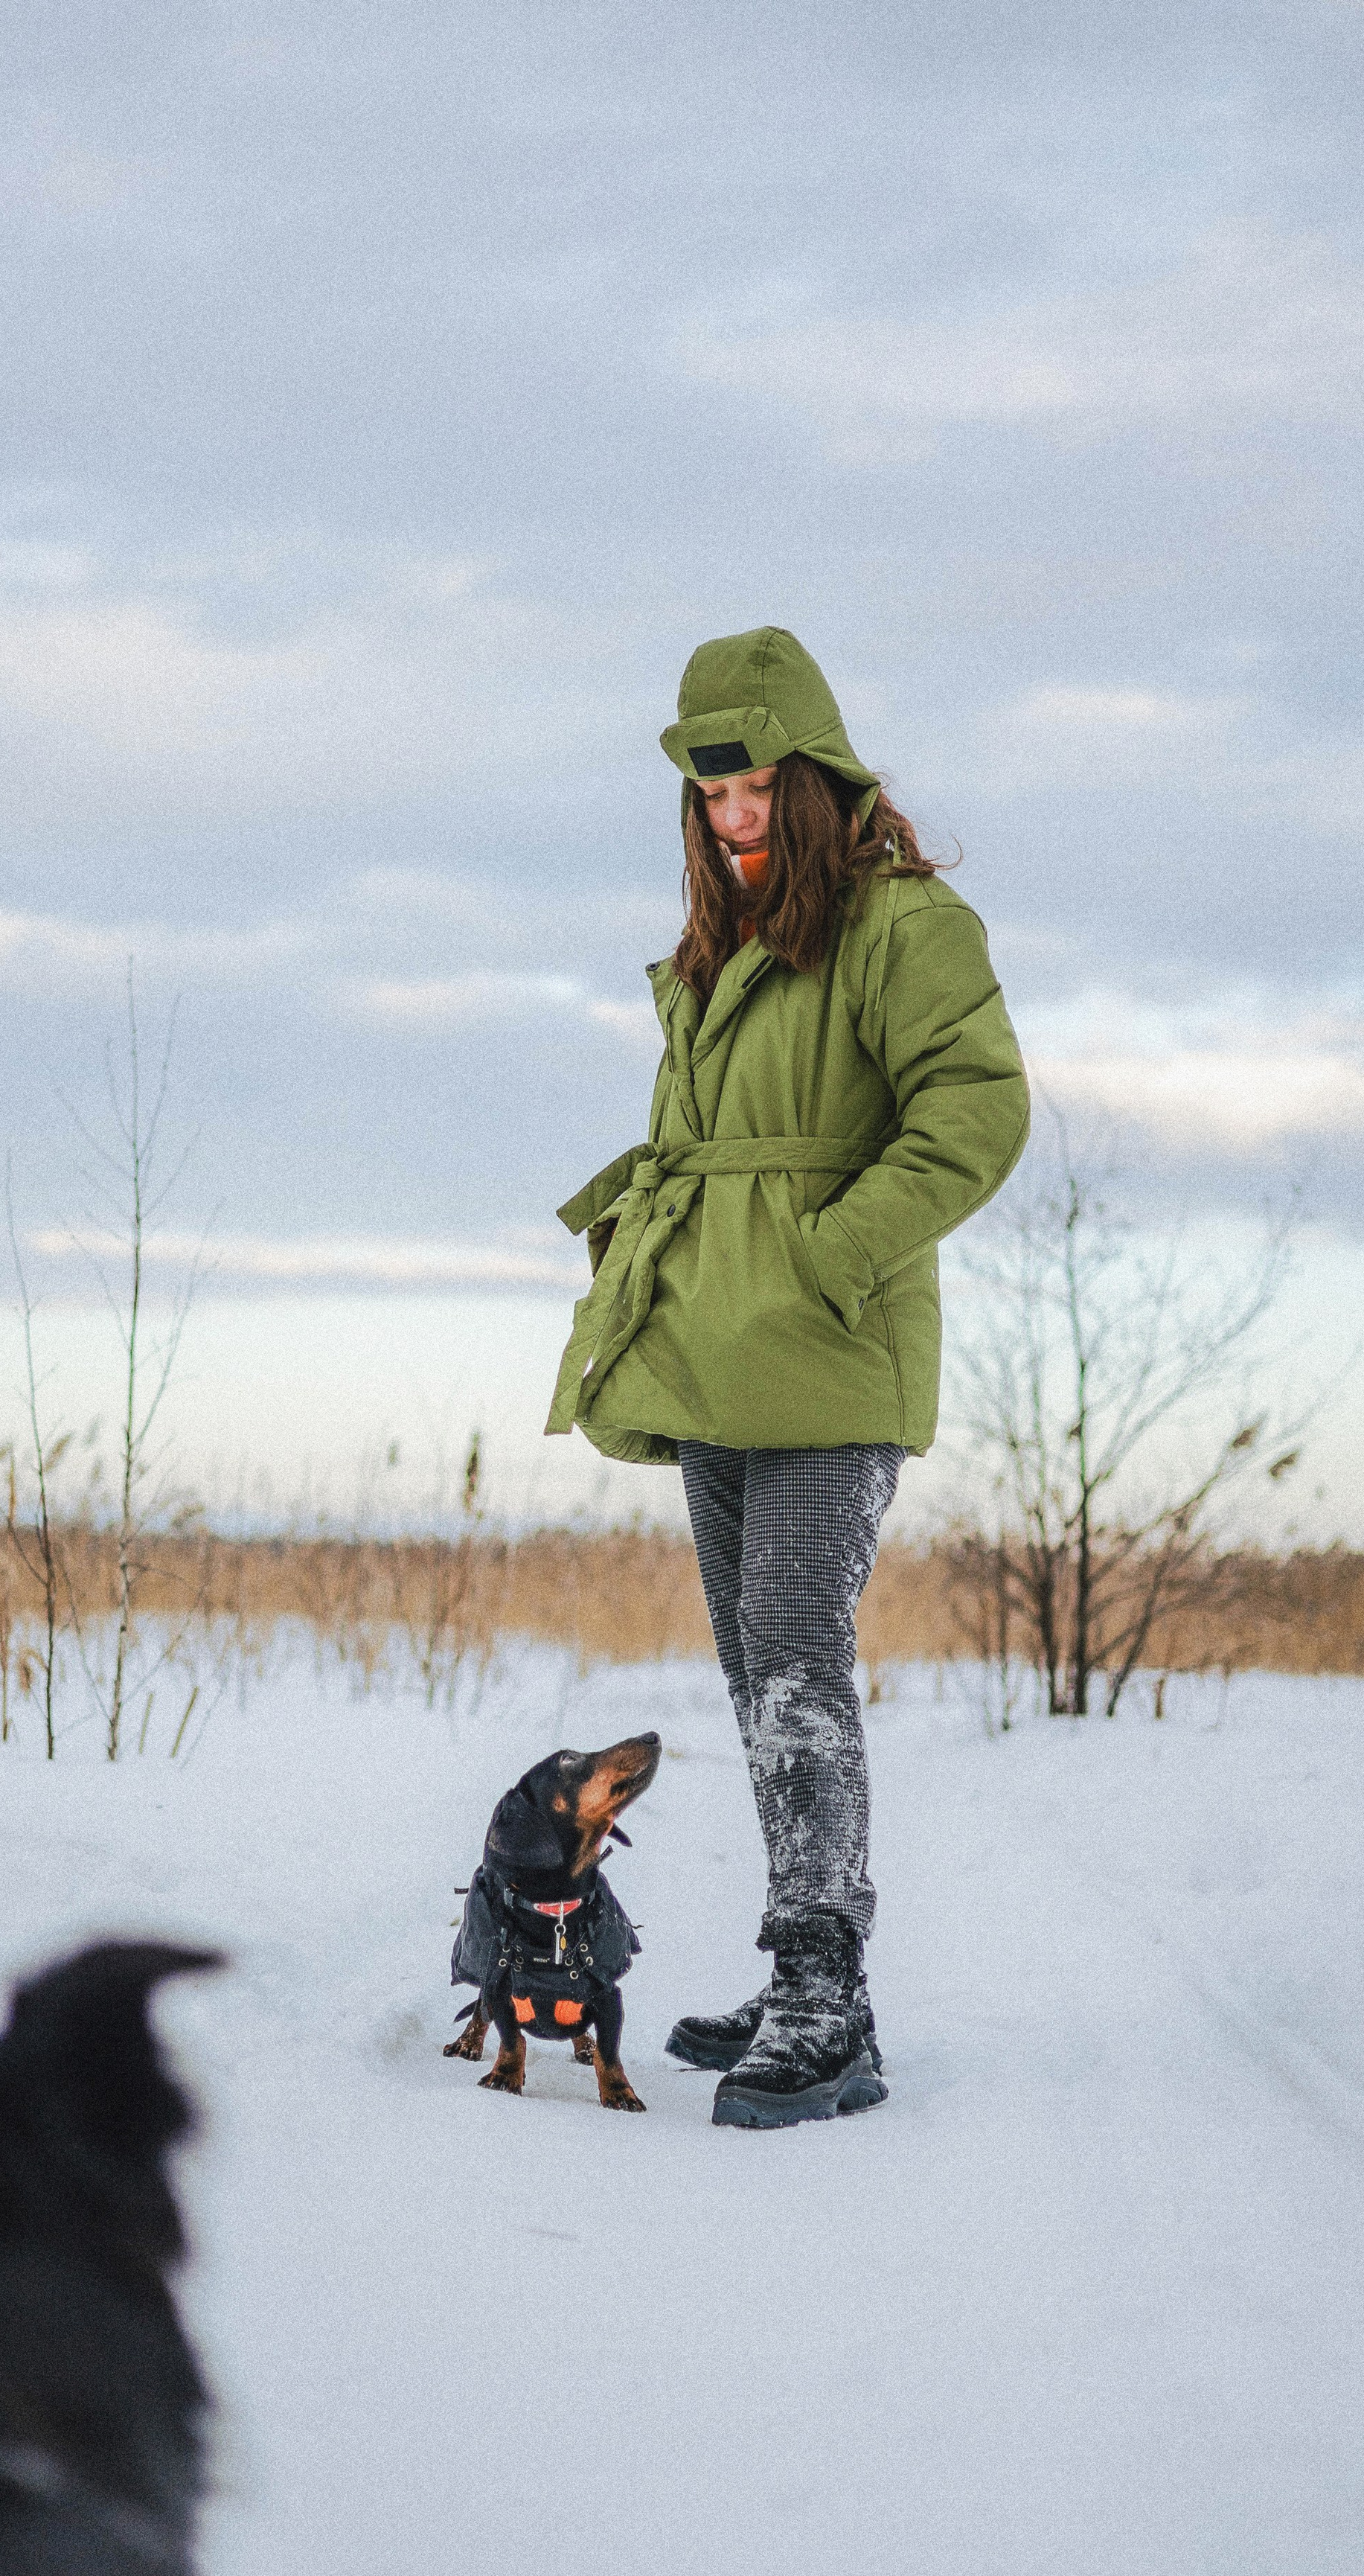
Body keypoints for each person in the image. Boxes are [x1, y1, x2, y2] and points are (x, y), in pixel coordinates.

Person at [546, 626, 1029, 2129]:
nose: (731, 818)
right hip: (714, 1350)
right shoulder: (720, 948)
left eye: (754, 790)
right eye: (710, 799)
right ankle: (801, 1972)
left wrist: (834, 1252)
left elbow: (976, 1111)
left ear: (811, 780)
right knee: (753, 1673)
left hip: (827, 1346)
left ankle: (823, 1992)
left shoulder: (900, 928)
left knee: (794, 1652)